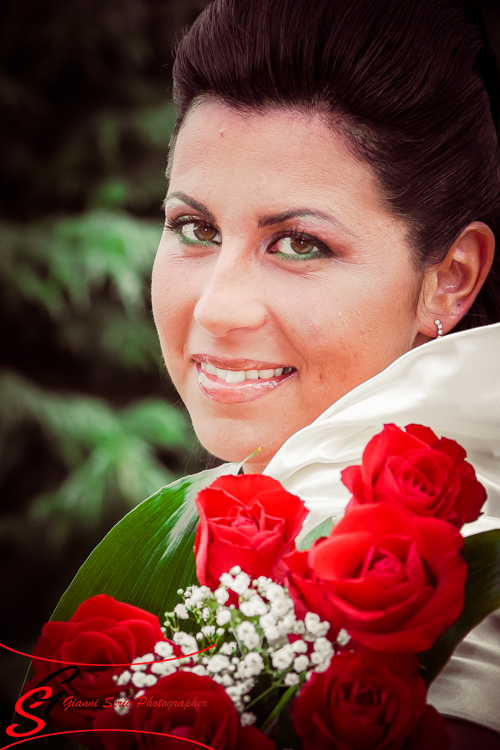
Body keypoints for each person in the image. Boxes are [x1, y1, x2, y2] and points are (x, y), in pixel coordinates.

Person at [151, 0, 500, 746]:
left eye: (300, 244)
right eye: (195, 229)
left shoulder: (459, 592)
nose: (218, 309)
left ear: (451, 277)